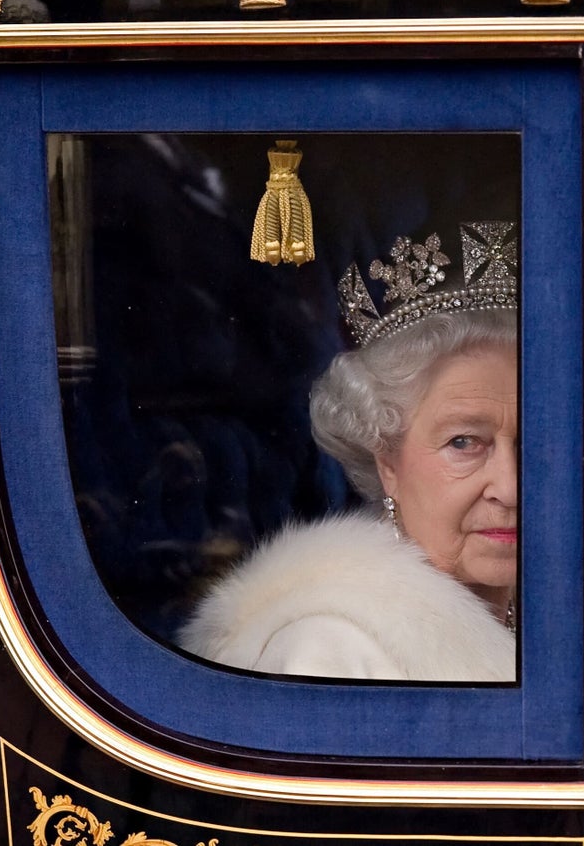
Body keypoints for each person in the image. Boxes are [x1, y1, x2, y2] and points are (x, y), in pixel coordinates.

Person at [178, 226, 518, 681]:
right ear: (386, 460)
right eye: (464, 443)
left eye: (533, 443)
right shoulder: (323, 651)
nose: (511, 488)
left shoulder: (577, 621)